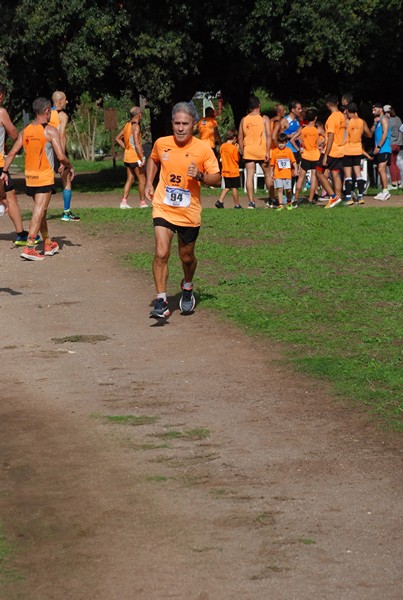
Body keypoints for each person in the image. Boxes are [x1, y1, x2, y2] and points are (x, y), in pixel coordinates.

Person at [145, 102, 220, 319]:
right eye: (176, 123)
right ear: (172, 124)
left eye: (185, 124)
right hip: (164, 206)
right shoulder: (162, 143)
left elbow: (217, 178)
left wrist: (200, 176)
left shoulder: (203, 149)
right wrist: (150, 182)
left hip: (188, 211)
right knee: (161, 252)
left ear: (194, 125)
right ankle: (161, 300)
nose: (180, 128)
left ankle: (187, 286)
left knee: (186, 257)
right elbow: (153, 160)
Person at [0, 97, 74, 261]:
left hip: (30, 178)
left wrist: (4, 171)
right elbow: (61, 155)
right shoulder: (50, 130)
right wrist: (70, 166)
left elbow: (11, 153)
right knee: (39, 210)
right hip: (44, 177)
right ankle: (30, 246)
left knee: (42, 211)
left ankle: (48, 243)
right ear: (47, 111)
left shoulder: (26, 130)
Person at [0, 83, 36, 245]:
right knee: (10, 196)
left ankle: (21, 233)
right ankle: (21, 234)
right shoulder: (1, 113)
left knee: (7, 196)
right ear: (1, 95)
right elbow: (15, 135)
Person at [49, 91, 80, 221]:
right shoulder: (62, 116)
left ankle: (41, 211)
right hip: (57, 150)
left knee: (44, 182)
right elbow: (61, 136)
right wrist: (62, 158)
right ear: (60, 101)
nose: (67, 102)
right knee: (66, 180)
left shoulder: (46, 114)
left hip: (46, 151)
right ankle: (66, 213)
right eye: (66, 100)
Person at [238, 95, 272, 209]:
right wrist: (268, 151)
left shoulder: (244, 119)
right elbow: (269, 136)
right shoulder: (264, 118)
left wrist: (243, 151)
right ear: (259, 105)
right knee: (268, 174)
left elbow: (240, 138)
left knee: (249, 176)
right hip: (261, 150)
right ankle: (272, 198)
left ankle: (251, 202)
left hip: (249, 151)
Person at [315, 94, 346, 209]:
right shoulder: (342, 116)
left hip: (332, 150)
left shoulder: (332, 118)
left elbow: (331, 136)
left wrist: (325, 155)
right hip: (340, 150)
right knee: (335, 173)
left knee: (318, 172)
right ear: (337, 103)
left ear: (328, 104)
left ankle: (333, 196)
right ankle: (338, 197)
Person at [115, 106, 147, 208]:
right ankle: (143, 203)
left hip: (127, 157)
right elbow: (137, 144)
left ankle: (123, 202)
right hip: (135, 157)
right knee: (142, 179)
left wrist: (127, 148)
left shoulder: (127, 125)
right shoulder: (136, 126)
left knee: (130, 179)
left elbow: (118, 138)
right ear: (139, 115)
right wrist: (143, 157)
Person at [290, 108, 323, 205]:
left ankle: (295, 199)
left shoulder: (303, 128)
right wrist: (320, 145)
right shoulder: (318, 129)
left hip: (305, 155)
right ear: (315, 118)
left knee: (301, 178)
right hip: (316, 156)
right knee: (314, 178)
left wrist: (299, 149)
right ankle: (310, 199)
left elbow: (292, 139)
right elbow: (326, 137)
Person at [342, 102, 372, 205]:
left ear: (348, 111)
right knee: (358, 174)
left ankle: (349, 197)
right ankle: (360, 197)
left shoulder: (347, 122)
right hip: (358, 149)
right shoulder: (362, 122)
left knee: (348, 175)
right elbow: (369, 134)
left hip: (347, 149)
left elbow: (344, 136)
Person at [215, 129, 242, 209]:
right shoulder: (233, 148)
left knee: (227, 187)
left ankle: (220, 201)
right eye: (236, 138)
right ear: (234, 137)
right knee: (234, 188)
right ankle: (237, 205)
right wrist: (237, 150)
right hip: (233, 171)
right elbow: (237, 159)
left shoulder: (222, 146)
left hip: (225, 170)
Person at [270, 132, 297, 210]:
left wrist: (295, 169)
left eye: (282, 143)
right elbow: (272, 163)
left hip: (287, 174)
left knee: (288, 190)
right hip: (277, 174)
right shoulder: (275, 151)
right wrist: (271, 172)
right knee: (280, 189)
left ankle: (289, 201)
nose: (281, 145)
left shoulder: (289, 151)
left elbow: (293, 161)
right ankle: (280, 204)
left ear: (286, 142)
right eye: (279, 143)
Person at [371, 103, 392, 201]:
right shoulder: (378, 121)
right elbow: (370, 133)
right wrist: (375, 123)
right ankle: (383, 190)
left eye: (375, 110)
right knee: (380, 170)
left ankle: (385, 191)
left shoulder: (384, 119)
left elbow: (385, 133)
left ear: (380, 109)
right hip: (379, 149)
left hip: (384, 148)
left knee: (381, 169)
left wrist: (379, 146)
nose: (373, 112)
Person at [384, 105, 403, 189]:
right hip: (399, 144)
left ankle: (393, 183)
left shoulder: (388, 121)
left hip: (391, 144)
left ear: (388, 113)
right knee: (395, 164)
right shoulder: (398, 119)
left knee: (391, 164)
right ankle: (399, 182)